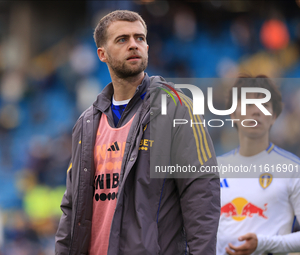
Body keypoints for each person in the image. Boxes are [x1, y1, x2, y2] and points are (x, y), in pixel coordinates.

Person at [55, 10, 220, 255]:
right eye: (122, 39)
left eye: (139, 38)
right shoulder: (86, 123)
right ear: (102, 54)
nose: (134, 45)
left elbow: (201, 192)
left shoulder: (176, 106)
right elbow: (72, 206)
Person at [217, 74, 300, 255]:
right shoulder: (214, 169)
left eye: (265, 106)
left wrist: (262, 243)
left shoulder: (293, 169)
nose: (256, 111)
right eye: (248, 105)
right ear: (233, 114)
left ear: (274, 116)